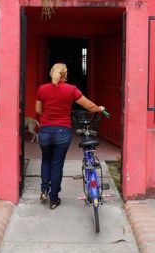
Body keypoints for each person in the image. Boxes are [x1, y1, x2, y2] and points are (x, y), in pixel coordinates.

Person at [35, 63, 105, 210]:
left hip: (45, 130)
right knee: (57, 164)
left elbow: (38, 110)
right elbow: (89, 106)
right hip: (62, 131)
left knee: (46, 160)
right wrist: (100, 109)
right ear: (65, 75)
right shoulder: (71, 89)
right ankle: (54, 199)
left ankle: (44, 190)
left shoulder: (42, 89)